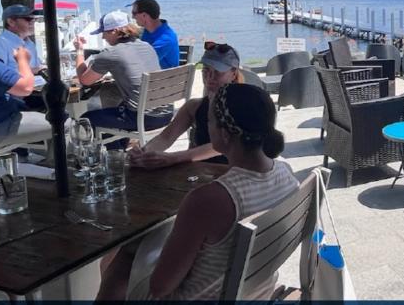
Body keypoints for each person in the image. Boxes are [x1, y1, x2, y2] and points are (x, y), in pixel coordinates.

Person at [96, 83, 297, 301]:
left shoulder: (212, 199)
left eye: (209, 121)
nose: (206, 128)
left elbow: (160, 287)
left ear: (225, 134)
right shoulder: (286, 175)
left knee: (128, 250)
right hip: (256, 292)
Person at [129, 42, 241, 169]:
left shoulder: (243, 105)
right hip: (201, 172)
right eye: (206, 70)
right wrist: (144, 153)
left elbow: (223, 144)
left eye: (218, 72)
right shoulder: (194, 106)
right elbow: (165, 137)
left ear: (233, 73)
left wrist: (175, 157)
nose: (210, 77)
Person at [75, 11, 172, 135]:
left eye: (104, 32)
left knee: (86, 118)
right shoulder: (147, 46)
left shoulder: (110, 53)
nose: (103, 37)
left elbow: (84, 80)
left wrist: (79, 50)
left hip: (144, 118)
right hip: (166, 114)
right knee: (116, 106)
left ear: (114, 31)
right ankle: (116, 150)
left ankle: (111, 151)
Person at [0, 4, 43, 73]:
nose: (33, 22)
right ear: (11, 22)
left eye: (34, 19)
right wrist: (31, 71)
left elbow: (37, 67)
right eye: (28, 19)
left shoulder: (29, 44)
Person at [131, 0, 180, 69]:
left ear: (144, 15)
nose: (132, 17)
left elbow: (142, 63)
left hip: (163, 79)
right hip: (151, 76)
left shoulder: (166, 39)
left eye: (134, 13)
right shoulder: (147, 31)